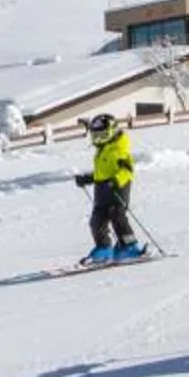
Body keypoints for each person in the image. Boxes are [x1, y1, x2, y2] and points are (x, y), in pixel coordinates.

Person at [71, 113, 143, 264]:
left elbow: (128, 171)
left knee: (117, 216)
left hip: (117, 190)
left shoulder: (119, 150)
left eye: (102, 135)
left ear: (112, 132)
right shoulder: (102, 150)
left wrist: (117, 180)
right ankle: (104, 248)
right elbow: (100, 173)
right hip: (101, 192)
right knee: (97, 221)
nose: (98, 139)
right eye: (95, 136)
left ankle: (129, 246)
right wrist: (86, 179)